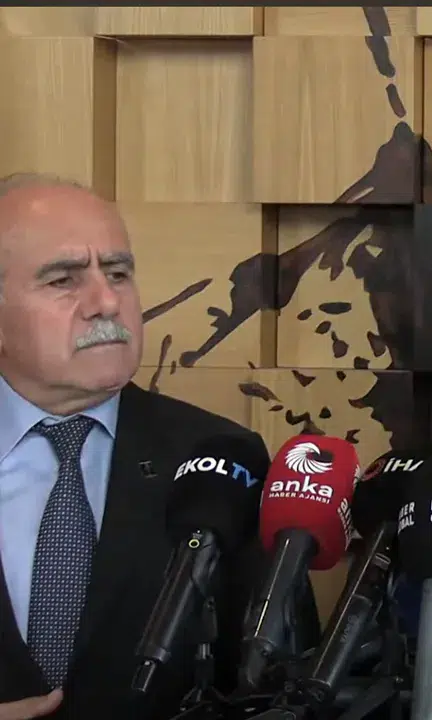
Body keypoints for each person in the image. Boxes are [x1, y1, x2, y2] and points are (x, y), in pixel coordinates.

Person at [0, 174, 320, 720]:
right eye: (63, 280)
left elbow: (283, 692)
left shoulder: (223, 460)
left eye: (118, 273)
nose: (107, 302)